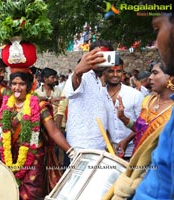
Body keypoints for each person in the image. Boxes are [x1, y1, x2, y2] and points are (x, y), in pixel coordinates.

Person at [0, 50, 75, 199]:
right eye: (14, 84)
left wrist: (70, 151)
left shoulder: (39, 106)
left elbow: (54, 132)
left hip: (33, 157)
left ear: (29, 86)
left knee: (30, 195)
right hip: (10, 155)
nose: (17, 88)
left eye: (22, 84)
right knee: (11, 192)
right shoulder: (7, 96)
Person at [103, 13, 174, 200]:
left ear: (170, 78)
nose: (150, 78)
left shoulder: (171, 108)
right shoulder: (148, 101)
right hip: (137, 168)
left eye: (155, 73)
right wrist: (124, 119)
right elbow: (139, 128)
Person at [63, 40, 112, 151]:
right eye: (97, 56)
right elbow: (74, 84)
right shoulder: (83, 75)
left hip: (99, 145)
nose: (100, 60)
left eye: (104, 56)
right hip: (82, 146)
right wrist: (77, 73)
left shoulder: (99, 80)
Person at [103, 61, 144, 160]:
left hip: (132, 151)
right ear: (104, 73)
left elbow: (142, 125)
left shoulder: (135, 95)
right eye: (111, 71)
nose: (115, 75)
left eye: (119, 71)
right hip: (108, 152)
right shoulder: (99, 95)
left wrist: (126, 140)